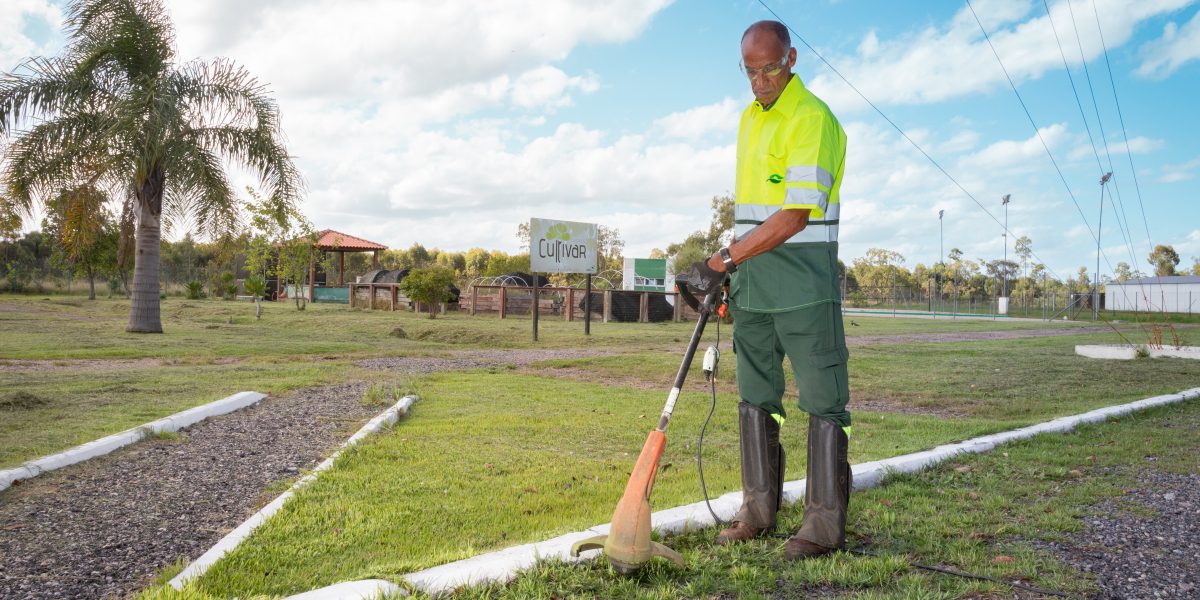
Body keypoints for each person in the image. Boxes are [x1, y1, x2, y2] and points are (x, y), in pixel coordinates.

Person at [683, 19, 850, 561]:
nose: (759, 82)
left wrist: (719, 260)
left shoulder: (812, 118)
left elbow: (796, 215)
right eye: (750, 71)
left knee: (823, 402)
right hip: (754, 289)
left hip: (804, 287)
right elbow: (752, 216)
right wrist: (731, 271)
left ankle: (823, 527)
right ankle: (758, 511)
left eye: (770, 69)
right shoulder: (748, 119)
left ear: (793, 59)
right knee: (756, 398)